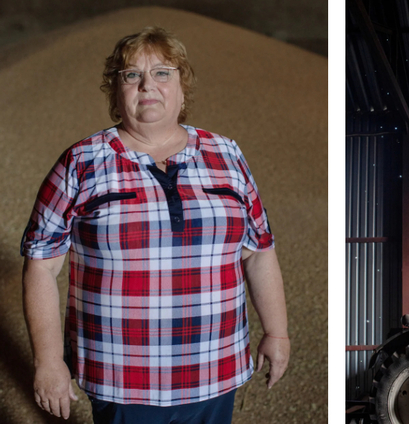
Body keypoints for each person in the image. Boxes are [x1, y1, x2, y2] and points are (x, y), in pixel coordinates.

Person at [20, 26, 289, 424]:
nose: (148, 85)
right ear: (116, 91)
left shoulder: (226, 154)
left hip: (215, 371)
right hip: (122, 381)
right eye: (132, 75)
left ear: (182, 89)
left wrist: (277, 333)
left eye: (163, 73)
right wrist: (47, 362)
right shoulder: (81, 161)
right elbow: (41, 265)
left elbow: (257, 251)